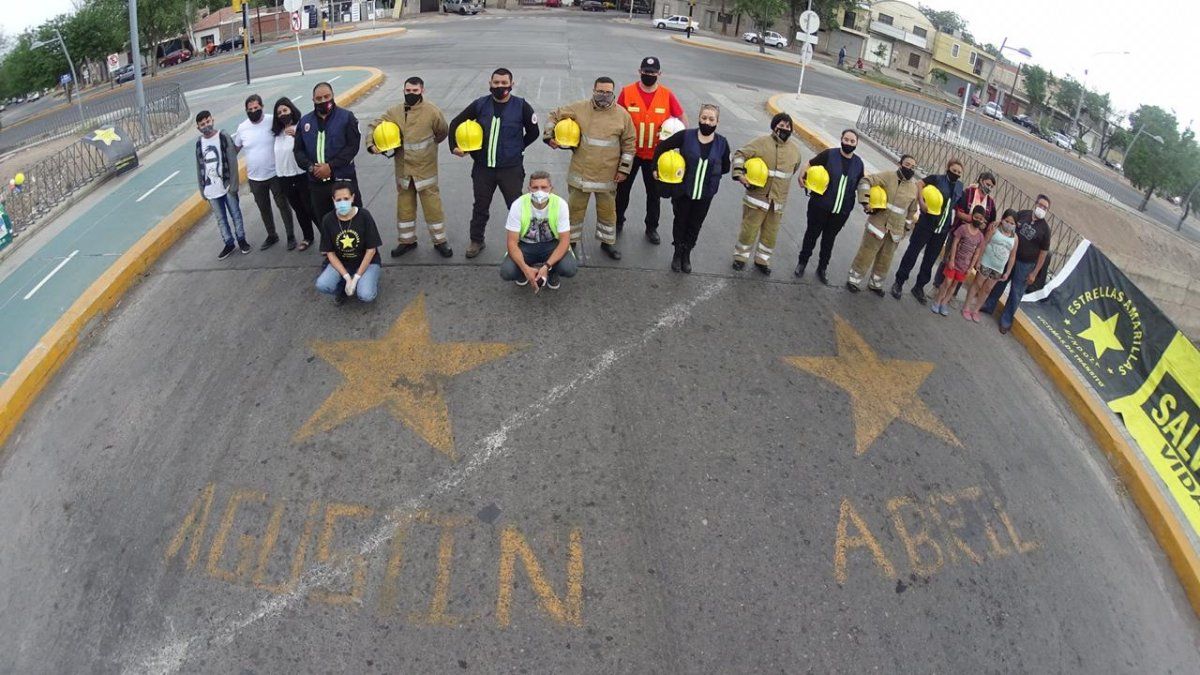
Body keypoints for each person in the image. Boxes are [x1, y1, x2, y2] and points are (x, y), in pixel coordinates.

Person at [448, 67, 540, 258]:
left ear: (511, 85)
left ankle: (525, 241)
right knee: (480, 206)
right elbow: (455, 123)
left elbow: (534, 132)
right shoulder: (480, 104)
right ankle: (476, 240)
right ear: (490, 84)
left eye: (504, 83)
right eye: (496, 83)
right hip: (483, 169)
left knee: (516, 207)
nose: (500, 87)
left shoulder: (522, 106)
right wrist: (454, 147)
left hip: (511, 169)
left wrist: (518, 147)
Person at [545, 76, 636, 260]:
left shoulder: (623, 116)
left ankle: (607, 243)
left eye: (607, 92)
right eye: (600, 91)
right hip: (581, 173)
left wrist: (624, 169)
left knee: (608, 212)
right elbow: (554, 115)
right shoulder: (579, 108)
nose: (603, 95)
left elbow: (629, 144)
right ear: (593, 90)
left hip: (608, 175)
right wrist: (549, 136)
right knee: (574, 211)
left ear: (613, 93)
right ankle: (569, 243)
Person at [368, 76, 452, 258]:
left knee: (433, 208)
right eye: (408, 91)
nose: (411, 94)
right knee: (404, 208)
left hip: (425, 170)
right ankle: (406, 241)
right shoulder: (394, 112)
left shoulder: (432, 111)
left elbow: (442, 132)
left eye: (415, 91)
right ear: (404, 90)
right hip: (404, 171)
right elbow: (375, 125)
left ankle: (440, 241)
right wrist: (371, 144)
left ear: (422, 90)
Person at [615, 56, 686, 245]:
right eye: (646, 72)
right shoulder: (627, 92)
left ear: (659, 74)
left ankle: (651, 227)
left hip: (656, 155)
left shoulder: (667, 95)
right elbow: (616, 117)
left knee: (654, 194)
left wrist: (683, 142)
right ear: (639, 71)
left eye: (653, 73)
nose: (649, 75)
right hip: (630, 152)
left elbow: (681, 117)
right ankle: (617, 221)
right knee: (622, 189)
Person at [652, 103, 730, 273]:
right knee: (680, 222)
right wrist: (655, 168)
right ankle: (677, 253)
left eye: (711, 119)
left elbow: (725, 167)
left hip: (705, 194)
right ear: (699, 118)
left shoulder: (722, 143)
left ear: (717, 121)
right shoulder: (686, 136)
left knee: (695, 225)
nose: (707, 122)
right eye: (704, 118)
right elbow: (662, 147)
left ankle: (687, 254)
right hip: (683, 192)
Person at [731, 112, 802, 275]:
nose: (784, 128)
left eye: (787, 126)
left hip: (777, 202)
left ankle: (762, 260)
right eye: (781, 125)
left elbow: (794, 169)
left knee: (770, 235)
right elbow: (740, 155)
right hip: (756, 198)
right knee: (748, 231)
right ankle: (740, 258)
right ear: (774, 126)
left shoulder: (795, 151)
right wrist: (740, 175)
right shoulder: (761, 142)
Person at [794, 129, 865, 285]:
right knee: (811, 235)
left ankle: (822, 268)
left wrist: (867, 202)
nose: (849, 143)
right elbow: (810, 164)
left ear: (857, 144)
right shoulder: (829, 155)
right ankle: (802, 263)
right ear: (841, 139)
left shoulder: (859, 163)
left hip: (841, 211)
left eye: (852, 141)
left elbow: (860, 184)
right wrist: (801, 176)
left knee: (829, 240)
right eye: (846, 140)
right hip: (819, 206)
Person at [890, 158, 965, 303]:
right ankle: (899, 282)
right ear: (948, 168)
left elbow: (958, 204)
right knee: (912, 253)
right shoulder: (936, 178)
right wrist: (921, 202)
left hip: (942, 230)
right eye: (954, 170)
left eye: (959, 172)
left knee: (930, 260)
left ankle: (919, 287)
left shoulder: (959, 187)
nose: (956, 173)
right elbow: (919, 184)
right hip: (926, 224)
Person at [846, 154, 919, 294]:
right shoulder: (887, 176)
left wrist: (906, 229)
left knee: (885, 260)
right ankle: (853, 280)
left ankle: (876, 285)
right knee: (865, 254)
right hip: (877, 225)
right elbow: (866, 181)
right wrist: (865, 201)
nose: (910, 168)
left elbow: (912, 211)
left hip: (895, 232)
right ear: (900, 164)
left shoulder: (913, 188)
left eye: (913, 167)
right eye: (908, 164)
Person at [980, 194, 1052, 334]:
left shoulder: (1045, 230)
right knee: (999, 283)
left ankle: (1006, 321)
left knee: (1016, 293)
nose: (1042, 209)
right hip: (1009, 257)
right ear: (1035, 204)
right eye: (1041, 205)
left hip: (1026, 265)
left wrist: (1034, 273)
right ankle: (988, 305)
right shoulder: (1023, 214)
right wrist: (998, 224)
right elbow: (1009, 223)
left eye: (1045, 208)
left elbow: (1043, 253)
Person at [294, 81, 362, 225]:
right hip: (317, 184)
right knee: (326, 224)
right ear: (313, 100)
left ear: (332, 96)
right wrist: (312, 168)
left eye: (326, 97)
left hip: (343, 181)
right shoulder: (304, 122)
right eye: (319, 99)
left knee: (355, 222)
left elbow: (352, 147)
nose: (323, 101)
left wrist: (330, 167)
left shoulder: (347, 117)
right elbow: (298, 151)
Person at [499, 171, 578, 291]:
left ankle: (552, 272)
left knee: (569, 268)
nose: (539, 191)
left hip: (551, 244)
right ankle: (524, 273)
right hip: (525, 246)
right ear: (529, 189)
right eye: (535, 188)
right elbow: (512, 243)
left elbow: (564, 240)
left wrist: (546, 267)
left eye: (544, 187)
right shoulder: (518, 205)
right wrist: (525, 269)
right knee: (507, 272)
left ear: (551, 189)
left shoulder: (560, 204)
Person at [235, 94, 289, 250]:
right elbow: (235, 149)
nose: (253, 111)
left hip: (275, 174)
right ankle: (272, 235)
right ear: (246, 110)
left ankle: (290, 235)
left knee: (283, 205)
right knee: (264, 209)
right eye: (250, 109)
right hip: (254, 178)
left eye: (256, 108)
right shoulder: (242, 128)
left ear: (262, 107)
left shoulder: (272, 120)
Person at [194, 110, 249, 259]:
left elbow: (232, 161)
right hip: (211, 189)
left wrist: (234, 185)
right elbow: (200, 168)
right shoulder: (199, 143)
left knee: (235, 214)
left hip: (226, 186)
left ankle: (241, 239)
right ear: (198, 127)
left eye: (207, 122)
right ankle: (228, 243)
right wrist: (202, 189)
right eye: (202, 124)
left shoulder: (223, 136)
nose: (206, 126)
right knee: (220, 219)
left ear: (212, 120)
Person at [315, 181, 382, 304]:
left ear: (353, 198)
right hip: (342, 262)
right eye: (338, 199)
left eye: (346, 198)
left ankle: (364, 280)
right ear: (333, 200)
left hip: (367, 263)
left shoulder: (364, 216)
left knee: (366, 295)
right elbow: (330, 253)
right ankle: (342, 286)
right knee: (322, 284)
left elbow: (371, 250)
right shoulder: (328, 220)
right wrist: (346, 276)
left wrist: (356, 278)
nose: (342, 203)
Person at [932, 170, 997, 290]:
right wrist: (973, 219)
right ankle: (937, 285)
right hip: (959, 232)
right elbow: (958, 211)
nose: (989, 187)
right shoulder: (968, 192)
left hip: (974, 239)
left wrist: (985, 229)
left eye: (992, 186)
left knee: (965, 265)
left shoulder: (990, 203)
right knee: (948, 258)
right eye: (988, 184)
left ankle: (952, 293)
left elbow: (991, 221)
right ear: (981, 181)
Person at [270, 97, 316, 251]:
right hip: (284, 177)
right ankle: (308, 237)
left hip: (301, 175)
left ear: (291, 110)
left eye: (285, 110)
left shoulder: (302, 126)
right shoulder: (276, 133)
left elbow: (310, 147)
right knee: (299, 210)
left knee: (311, 208)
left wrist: (297, 135)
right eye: (279, 112)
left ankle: (327, 238)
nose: (282, 114)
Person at [929, 204, 986, 316]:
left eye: (981, 219)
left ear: (983, 220)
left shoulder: (980, 236)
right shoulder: (963, 229)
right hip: (954, 262)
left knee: (954, 285)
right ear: (972, 216)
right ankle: (937, 301)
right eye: (976, 217)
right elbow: (955, 244)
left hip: (965, 267)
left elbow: (977, 253)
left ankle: (944, 303)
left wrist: (970, 268)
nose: (978, 220)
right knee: (947, 282)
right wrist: (951, 259)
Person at [963, 208, 1018, 322]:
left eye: (1012, 223)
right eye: (1007, 221)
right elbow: (984, 243)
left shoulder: (1015, 238)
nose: (1009, 224)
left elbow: (1012, 256)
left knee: (987, 289)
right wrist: (978, 260)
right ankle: (966, 307)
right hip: (986, 262)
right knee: (977, 284)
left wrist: (1007, 272)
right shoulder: (994, 228)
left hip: (998, 268)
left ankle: (976, 310)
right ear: (1002, 220)